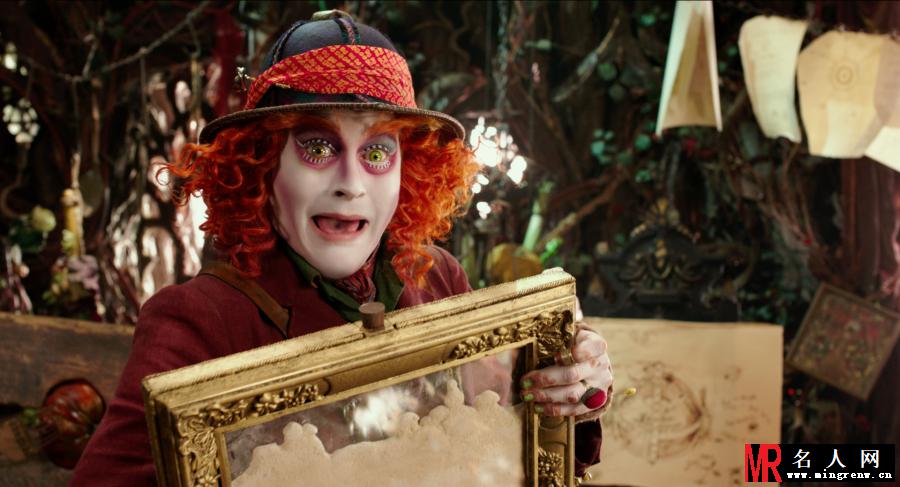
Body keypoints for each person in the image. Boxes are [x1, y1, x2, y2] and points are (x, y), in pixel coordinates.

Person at [71, 11, 613, 485]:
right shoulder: (195, 321)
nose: (351, 183)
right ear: (261, 165)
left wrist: (565, 390)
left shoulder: (437, 278)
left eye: (377, 152)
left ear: (408, 170)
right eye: (317, 146)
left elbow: (496, 447)